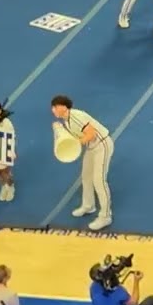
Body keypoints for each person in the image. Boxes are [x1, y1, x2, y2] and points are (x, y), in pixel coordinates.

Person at [51, 95, 115, 231]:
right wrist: (59, 130)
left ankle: (105, 216)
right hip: (91, 147)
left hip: (102, 145)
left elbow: (91, 134)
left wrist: (75, 144)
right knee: (86, 177)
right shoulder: (66, 121)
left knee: (99, 181)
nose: (53, 110)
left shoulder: (75, 117)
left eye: (55, 107)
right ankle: (89, 205)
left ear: (63, 107)